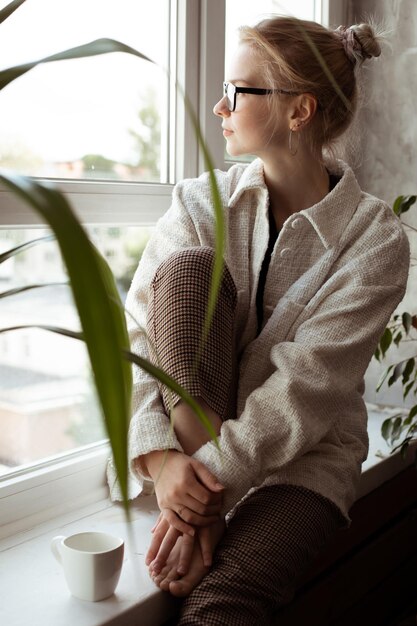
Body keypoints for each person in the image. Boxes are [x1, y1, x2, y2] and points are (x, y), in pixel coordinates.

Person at [110, 15, 410, 625]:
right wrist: (162, 461)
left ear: (299, 111)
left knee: (222, 607)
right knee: (192, 269)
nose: (221, 105)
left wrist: (199, 500)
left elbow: (306, 390)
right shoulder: (200, 202)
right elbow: (140, 336)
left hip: (305, 461)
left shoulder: (376, 239)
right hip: (192, 452)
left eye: (238, 90)